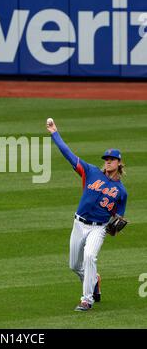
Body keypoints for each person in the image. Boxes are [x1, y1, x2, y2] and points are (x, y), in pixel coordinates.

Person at [46, 119, 128, 311]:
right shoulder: (91, 172)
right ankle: (94, 281)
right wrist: (54, 133)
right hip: (79, 224)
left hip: (98, 228)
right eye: (106, 159)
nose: (107, 161)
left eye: (111, 159)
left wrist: (115, 227)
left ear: (118, 163)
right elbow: (69, 154)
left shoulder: (121, 192)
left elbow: (118, 218)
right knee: (74, 265)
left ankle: (87, 299)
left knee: (90, 256)